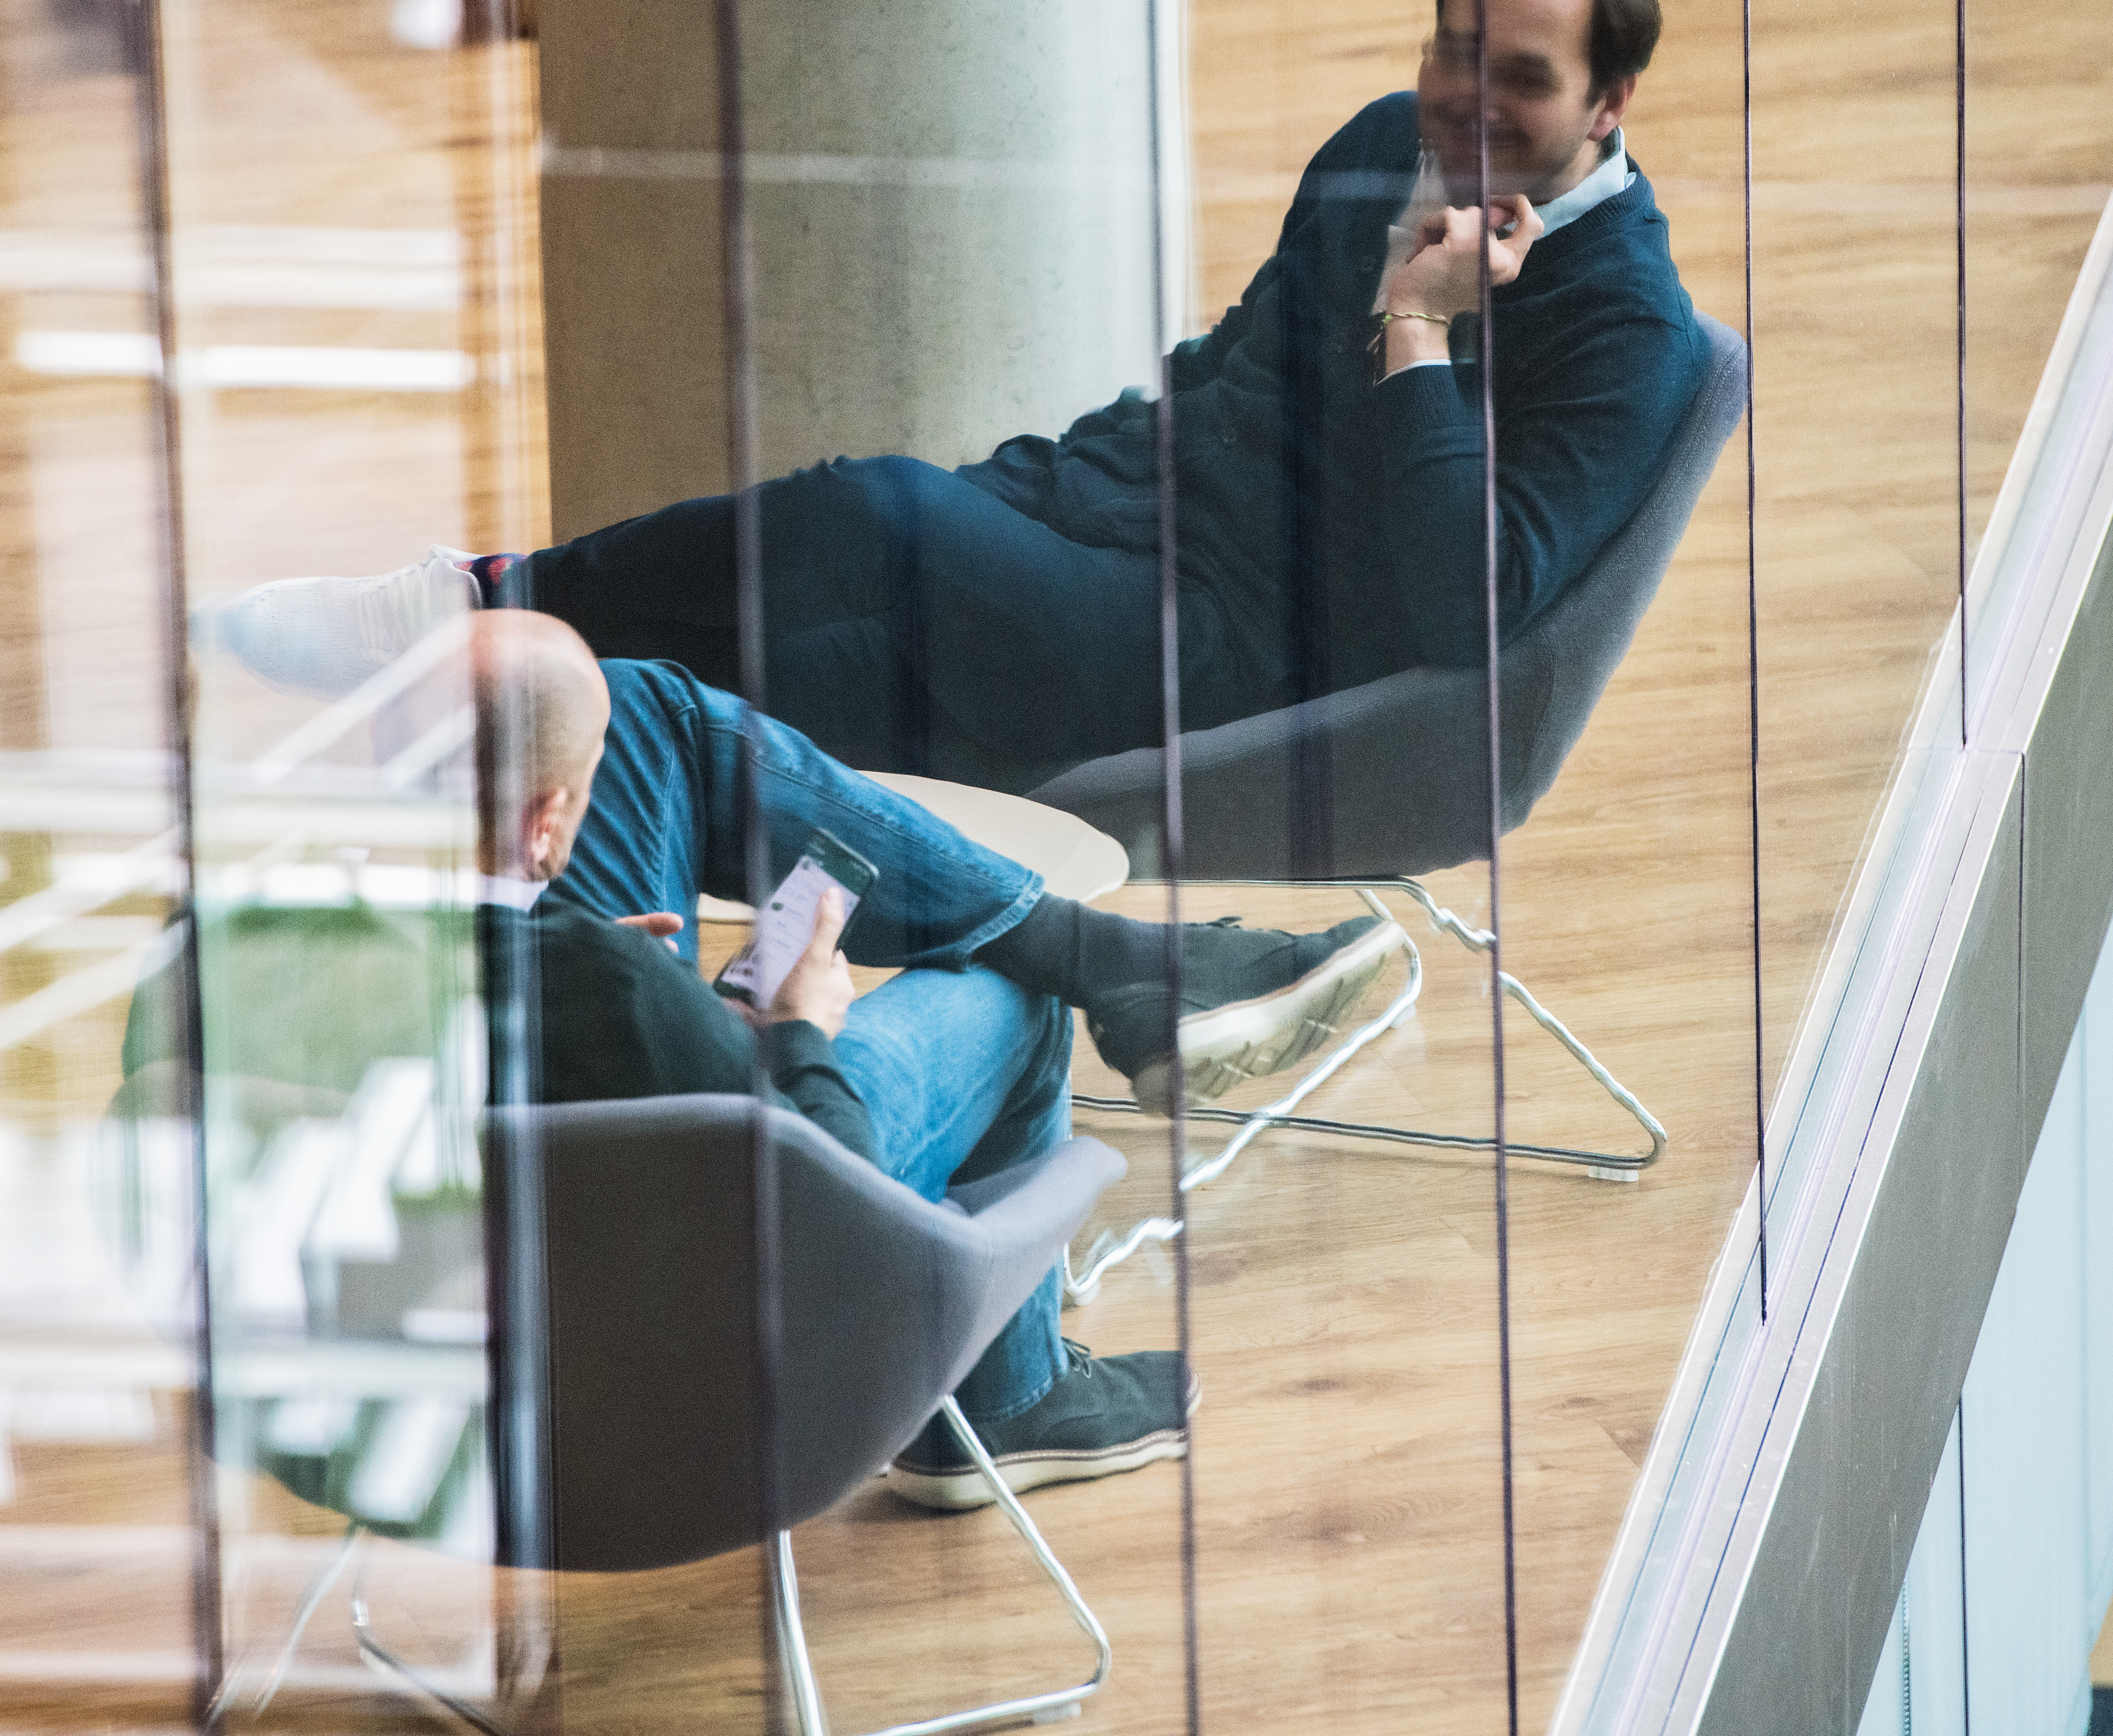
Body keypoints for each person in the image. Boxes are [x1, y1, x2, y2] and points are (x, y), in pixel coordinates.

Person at [206, 0, 1711, 789]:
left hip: (1264, 668)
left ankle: (466, 613)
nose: (1463, 99)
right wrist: (1066, 479)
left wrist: (1417, 336)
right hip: (1122, 531)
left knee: (873, 517)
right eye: (1453, 50)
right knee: (781, 674)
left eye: (1517, 76)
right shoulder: (1394, 142)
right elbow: (1235, 372)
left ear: (1610, 102)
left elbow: (1466, 609)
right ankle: (438, 727)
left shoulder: (1629, 335)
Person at [162, 609, 1407, 1508]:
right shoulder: (619, 995)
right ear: (550, 823)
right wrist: (799, 1028)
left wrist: (624, 981)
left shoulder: (218, 948)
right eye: (578, 803)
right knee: (1001, 996)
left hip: (363, 1415)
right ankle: (1002, 1405)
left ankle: (1111, 960)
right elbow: (838, 1224)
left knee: (644, 707)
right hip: (647, 1404)